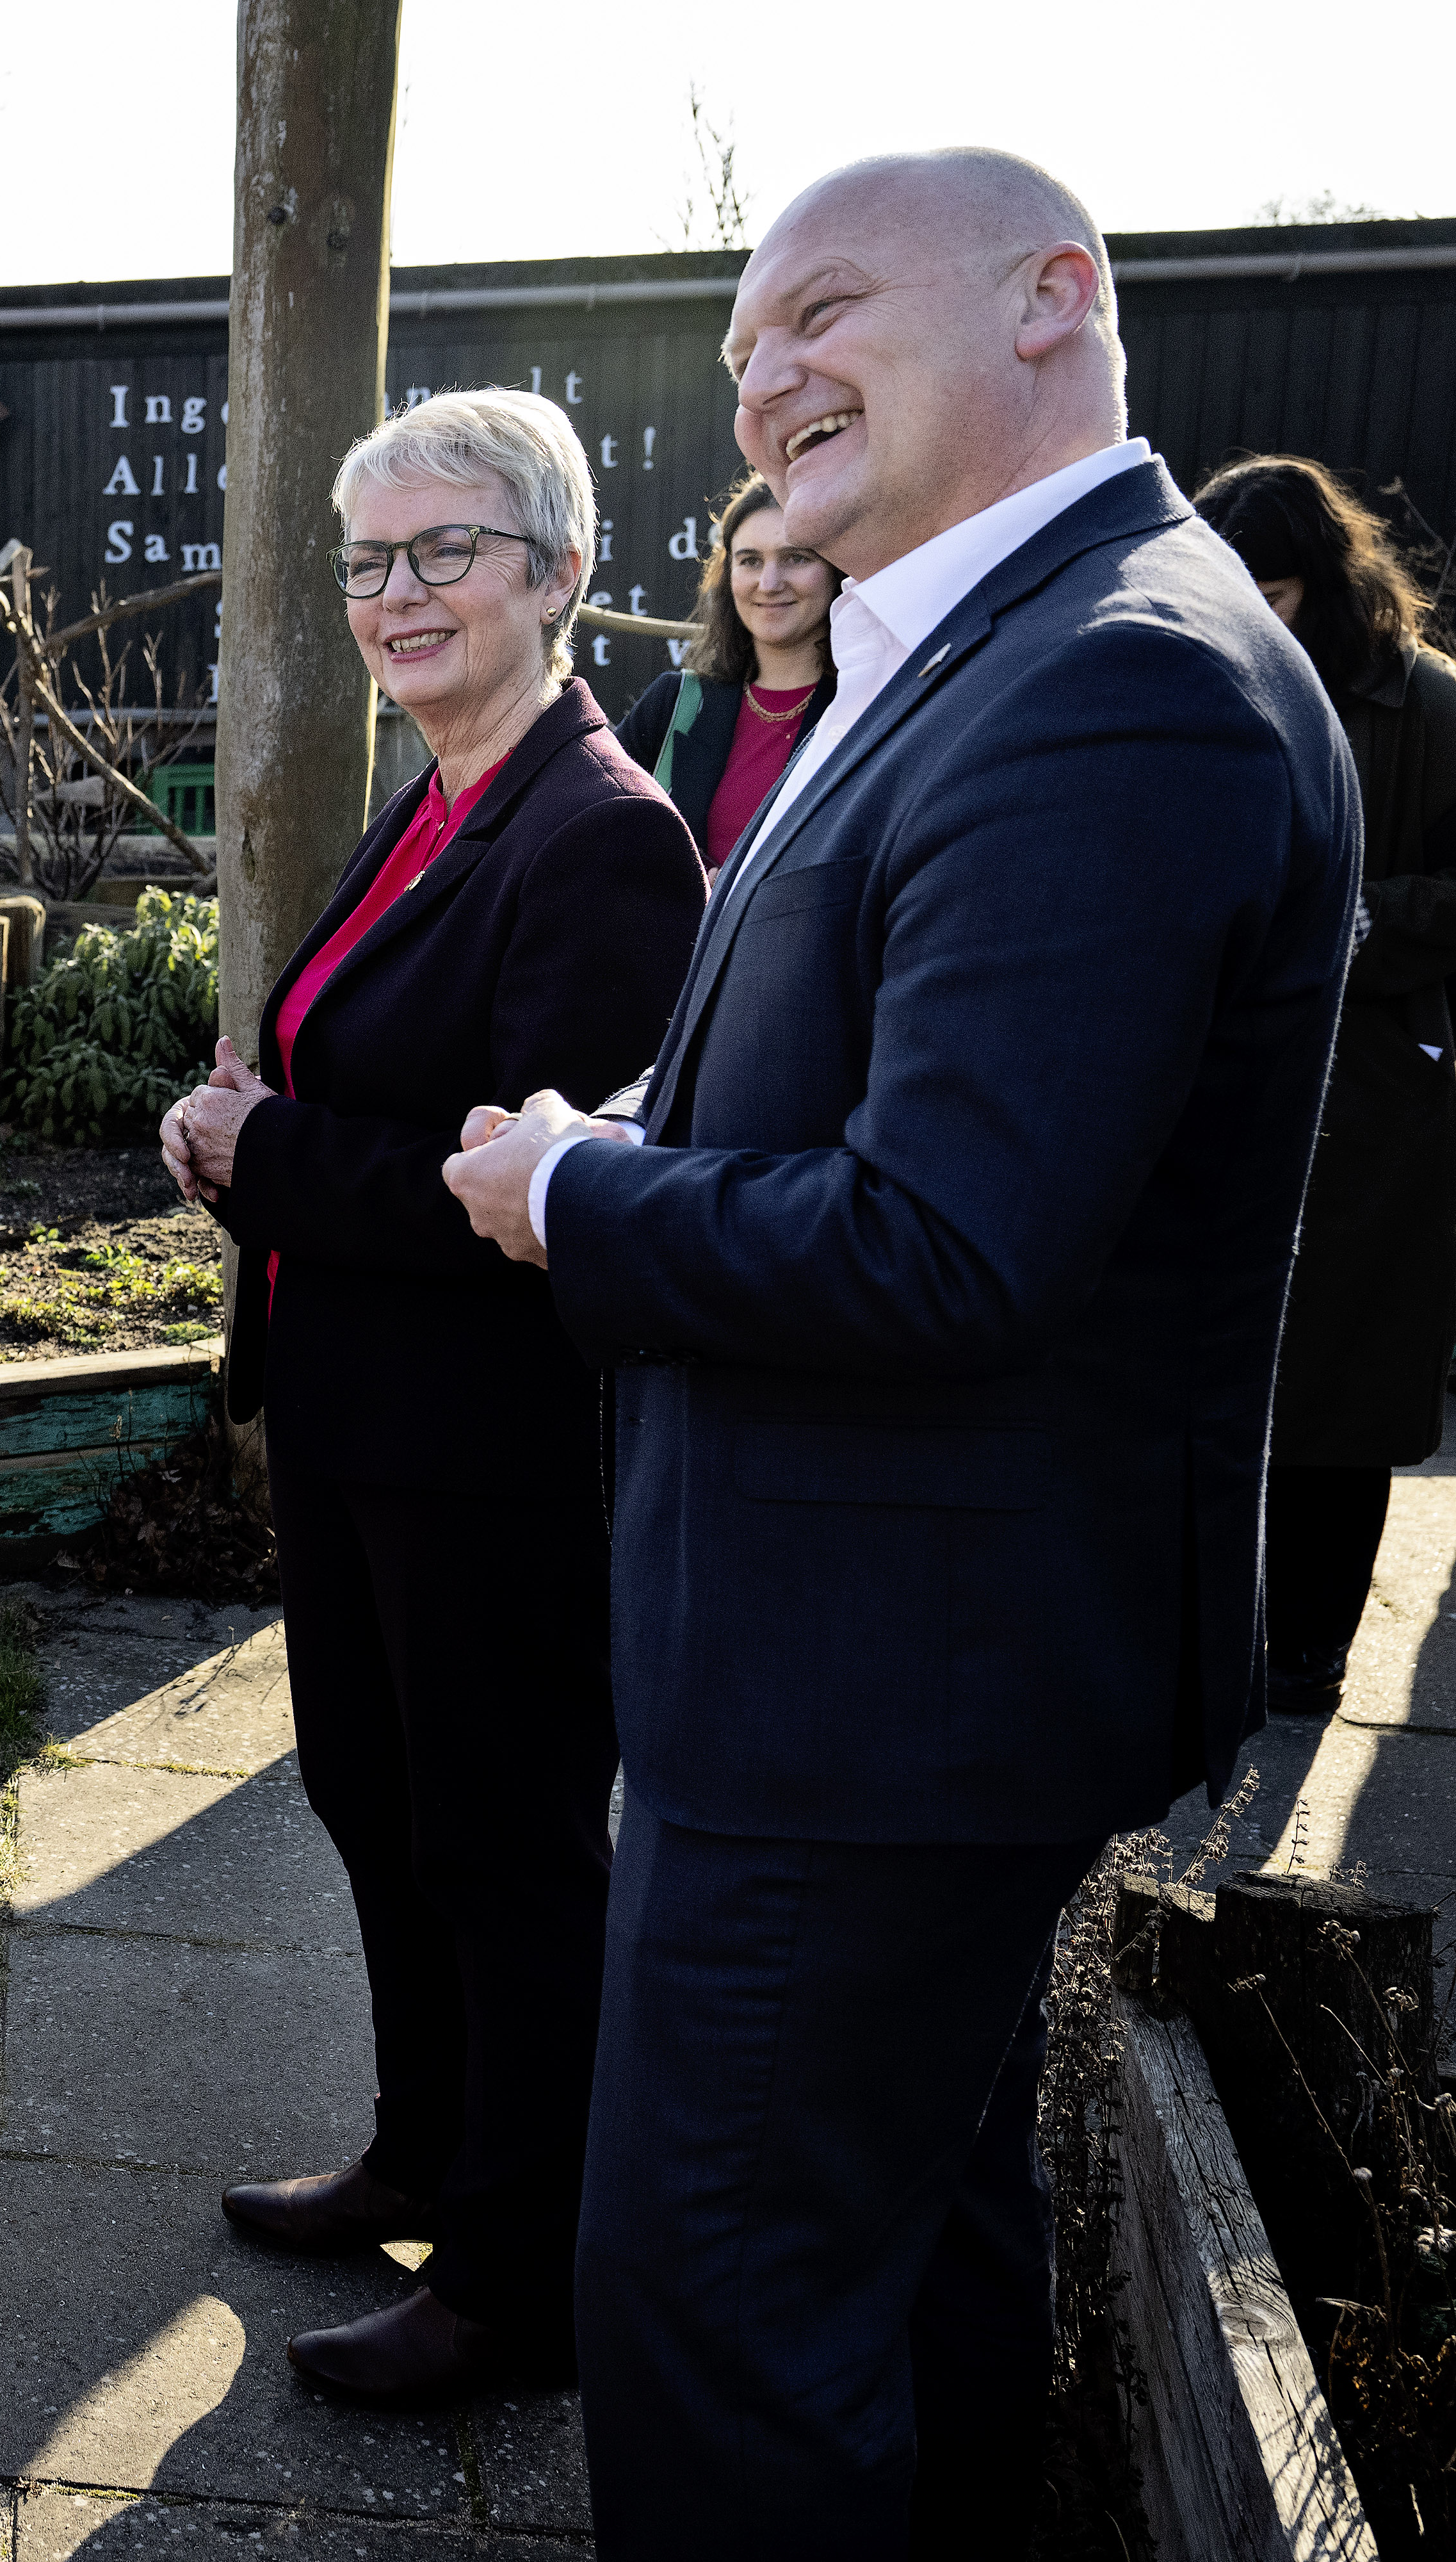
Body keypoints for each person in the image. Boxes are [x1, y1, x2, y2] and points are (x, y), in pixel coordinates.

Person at [442, 151, 1357, 2552]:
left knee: (714, 2306)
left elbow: (951, 1243)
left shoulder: (1115, 682)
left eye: (820, 306)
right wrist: (645, 1112)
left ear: (1056, 299)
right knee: (899, 2262)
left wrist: (573, 1196)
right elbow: (880, 1066)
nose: (759, 378)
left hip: (876, 1697)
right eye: (740, 341)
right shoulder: (981, 635)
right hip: (877, 1670)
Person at [159, 388, 702, 2408]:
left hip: (487, 1451)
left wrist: (264, 1155)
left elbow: (535, 1201)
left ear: (557, 573)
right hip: (356, 1414)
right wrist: (235, 1130)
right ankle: (419, 2146)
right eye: (367, 559)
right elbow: (366, 1096)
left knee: (504, 1846)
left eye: (442, 552)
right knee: (371, 1799)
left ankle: (519, 2271)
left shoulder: (599, 839)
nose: (395, 594)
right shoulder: (440, 788)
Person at [1195, 455, 1456, 1721]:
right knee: (1217, 1377)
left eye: (1278, 588)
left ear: (1332, 585)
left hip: (1374, 1096)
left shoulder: (1432, 710)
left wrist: (1348, 919)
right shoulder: (1199, 674)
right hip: (1220, 1079)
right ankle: (1211, 1635)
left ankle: (1306, 1652)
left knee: (1341, 1397)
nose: (1253, 609)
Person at [611, 473, 839, 868]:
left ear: (836, 567)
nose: (769, 584)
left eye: (796, 557)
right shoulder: (674, 704)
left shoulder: (865, 708)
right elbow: (589, 831)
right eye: (750, 561)